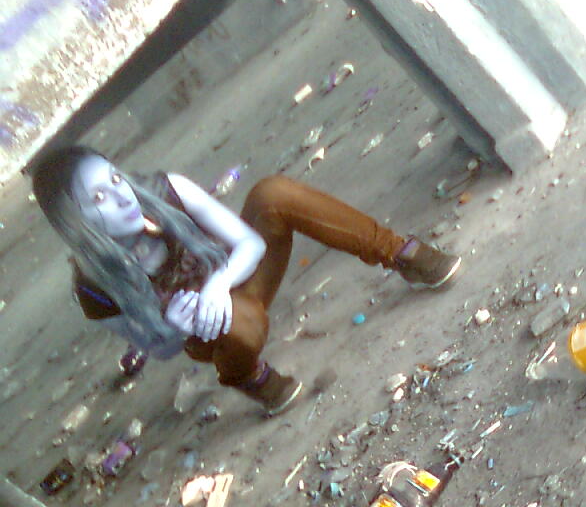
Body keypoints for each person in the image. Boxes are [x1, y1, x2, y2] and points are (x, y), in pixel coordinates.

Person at [31, 147, 461, 416]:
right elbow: (156, 348)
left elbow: (250, 244)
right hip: (213, 331)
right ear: (75, 221)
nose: (122, 196)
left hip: (240, 273)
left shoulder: (167, 191)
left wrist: (217, 284)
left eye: (115, 179)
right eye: (99, 197)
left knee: (272, 194)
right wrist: (173, 327)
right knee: (238, 323)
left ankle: (402, 253)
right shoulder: (93, 287)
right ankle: (247, 375)